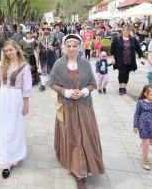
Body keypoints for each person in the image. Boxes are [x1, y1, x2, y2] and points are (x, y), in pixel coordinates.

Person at [49, 34, 104, 189]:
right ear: (65, 47)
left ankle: (82, 169)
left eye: (74, 46)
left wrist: (85, 91)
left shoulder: (85, 64)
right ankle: (77, 168)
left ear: (79, 47)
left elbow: (93, 83)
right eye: (69, 46)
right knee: (72, 134)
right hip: (67, 106)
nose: (72, 49)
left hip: (84, 106)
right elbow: (51, 82)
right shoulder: (59, 64)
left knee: (83, 134)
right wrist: (65, 92)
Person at [0, 40, 32, 178]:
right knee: (3, 128)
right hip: (3, 99)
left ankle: (14, 155)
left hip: (16, 99)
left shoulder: (24, 67)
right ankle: (5, 159)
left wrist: (26, 105)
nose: (8, 52)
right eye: (6, 50)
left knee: (14, 128)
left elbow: (26, 89)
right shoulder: (2, 65)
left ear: (16, 49)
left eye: (11, 50)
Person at [110, 25, 145, 95]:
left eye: (128, 30)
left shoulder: (133, 39)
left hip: (130, 60)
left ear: (130, 31)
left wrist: (141, 57)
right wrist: (112, 58)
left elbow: (138, 49)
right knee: (121, 73)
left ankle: (124, 87)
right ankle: (120, 87)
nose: (126, 32)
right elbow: (112, 49)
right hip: (120, 59)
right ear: (122, 31)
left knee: (126, 73)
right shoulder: (117, 38)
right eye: (125, 30)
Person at [38, 24, 60, 91]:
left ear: (49, 31)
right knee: (43, 70)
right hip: (43, 56)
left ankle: (53, 82)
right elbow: (37, 47)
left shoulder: (53, 37)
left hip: (51, 56)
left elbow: (58, 46)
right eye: (45, 30)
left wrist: (53, 48)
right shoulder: (40, 38)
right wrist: (38, 49)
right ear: (43, 31)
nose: (46, 31)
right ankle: (43, 84)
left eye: (47, 30)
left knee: (52, 69)